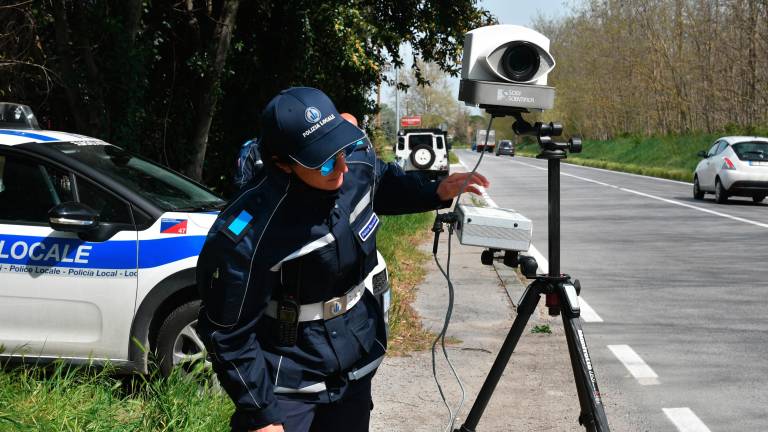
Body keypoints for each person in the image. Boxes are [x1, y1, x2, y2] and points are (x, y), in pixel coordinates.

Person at [196, 87, 489, 432]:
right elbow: (227, 334)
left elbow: (382, 182)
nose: (340, 168)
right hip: (287, 380)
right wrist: (261, 414)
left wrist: (436, 191)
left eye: (339, 150)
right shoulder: (249, 231)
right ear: (283, 164)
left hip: (355, 361)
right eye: (322, 160)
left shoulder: (352, 165)